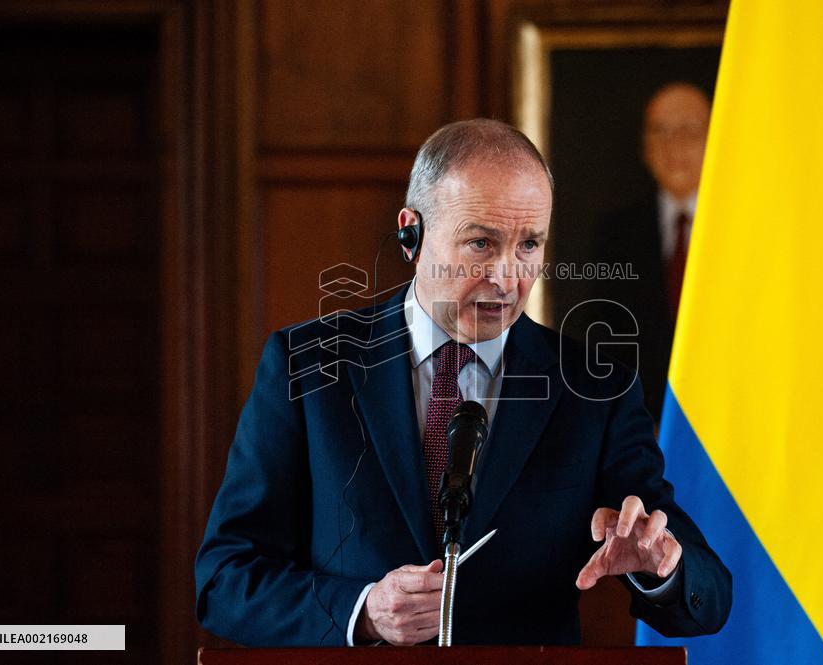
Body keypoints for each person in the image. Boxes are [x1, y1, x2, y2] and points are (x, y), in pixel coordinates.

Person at [195, 119, 730, 647]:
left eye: (529, 245)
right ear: (412, 233)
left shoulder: (593, 389)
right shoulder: (308, 365)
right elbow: (224, 582)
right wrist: (362, 612)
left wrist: (662, 566)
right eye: (481, 243)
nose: (506, 276)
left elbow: (710, 596)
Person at [596, 82, 712, 419]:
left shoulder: (747, 228)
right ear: (645, 148)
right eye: (660, 131)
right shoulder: (614, 235)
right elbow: (605, 342)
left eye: (688, 131)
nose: (673, 145)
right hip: (643, 426)